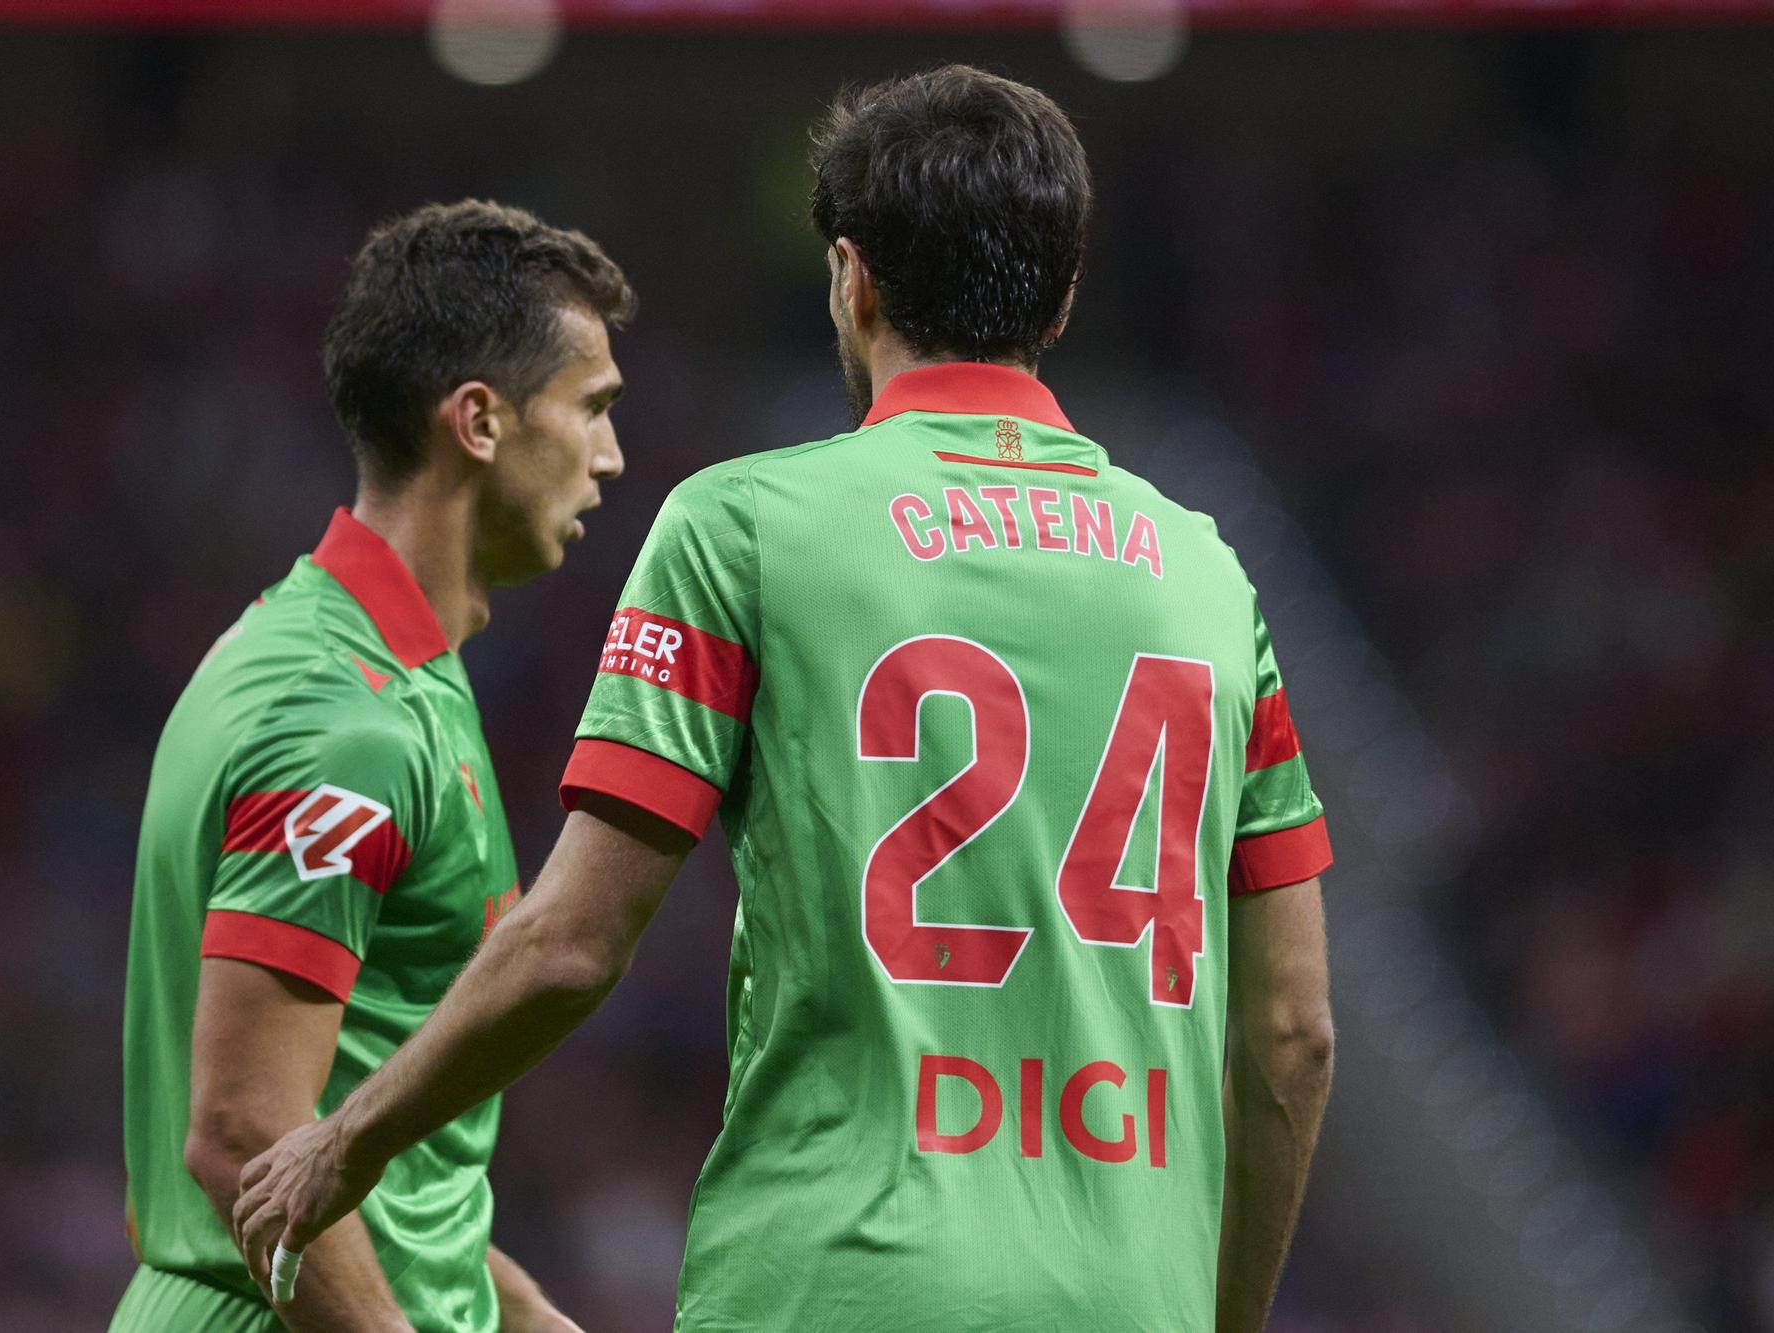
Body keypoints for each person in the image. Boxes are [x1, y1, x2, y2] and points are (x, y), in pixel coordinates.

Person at [235, 67, 1336, 1333]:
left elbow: (571, 941)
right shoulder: (1207, 575)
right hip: (1126, 1299)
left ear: (851, 278)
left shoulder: (741, 528)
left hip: (832, 1281)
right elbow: (1293, 1033)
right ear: (1064, 294)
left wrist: (346, 1141)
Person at [111, 198, 633, 1333]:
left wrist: (525, 1313)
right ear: (480, 421)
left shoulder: (364, 669)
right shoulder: (342, 725)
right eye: (590, 409)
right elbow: (247, 1131)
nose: (609, 455)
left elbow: (365, 1137)